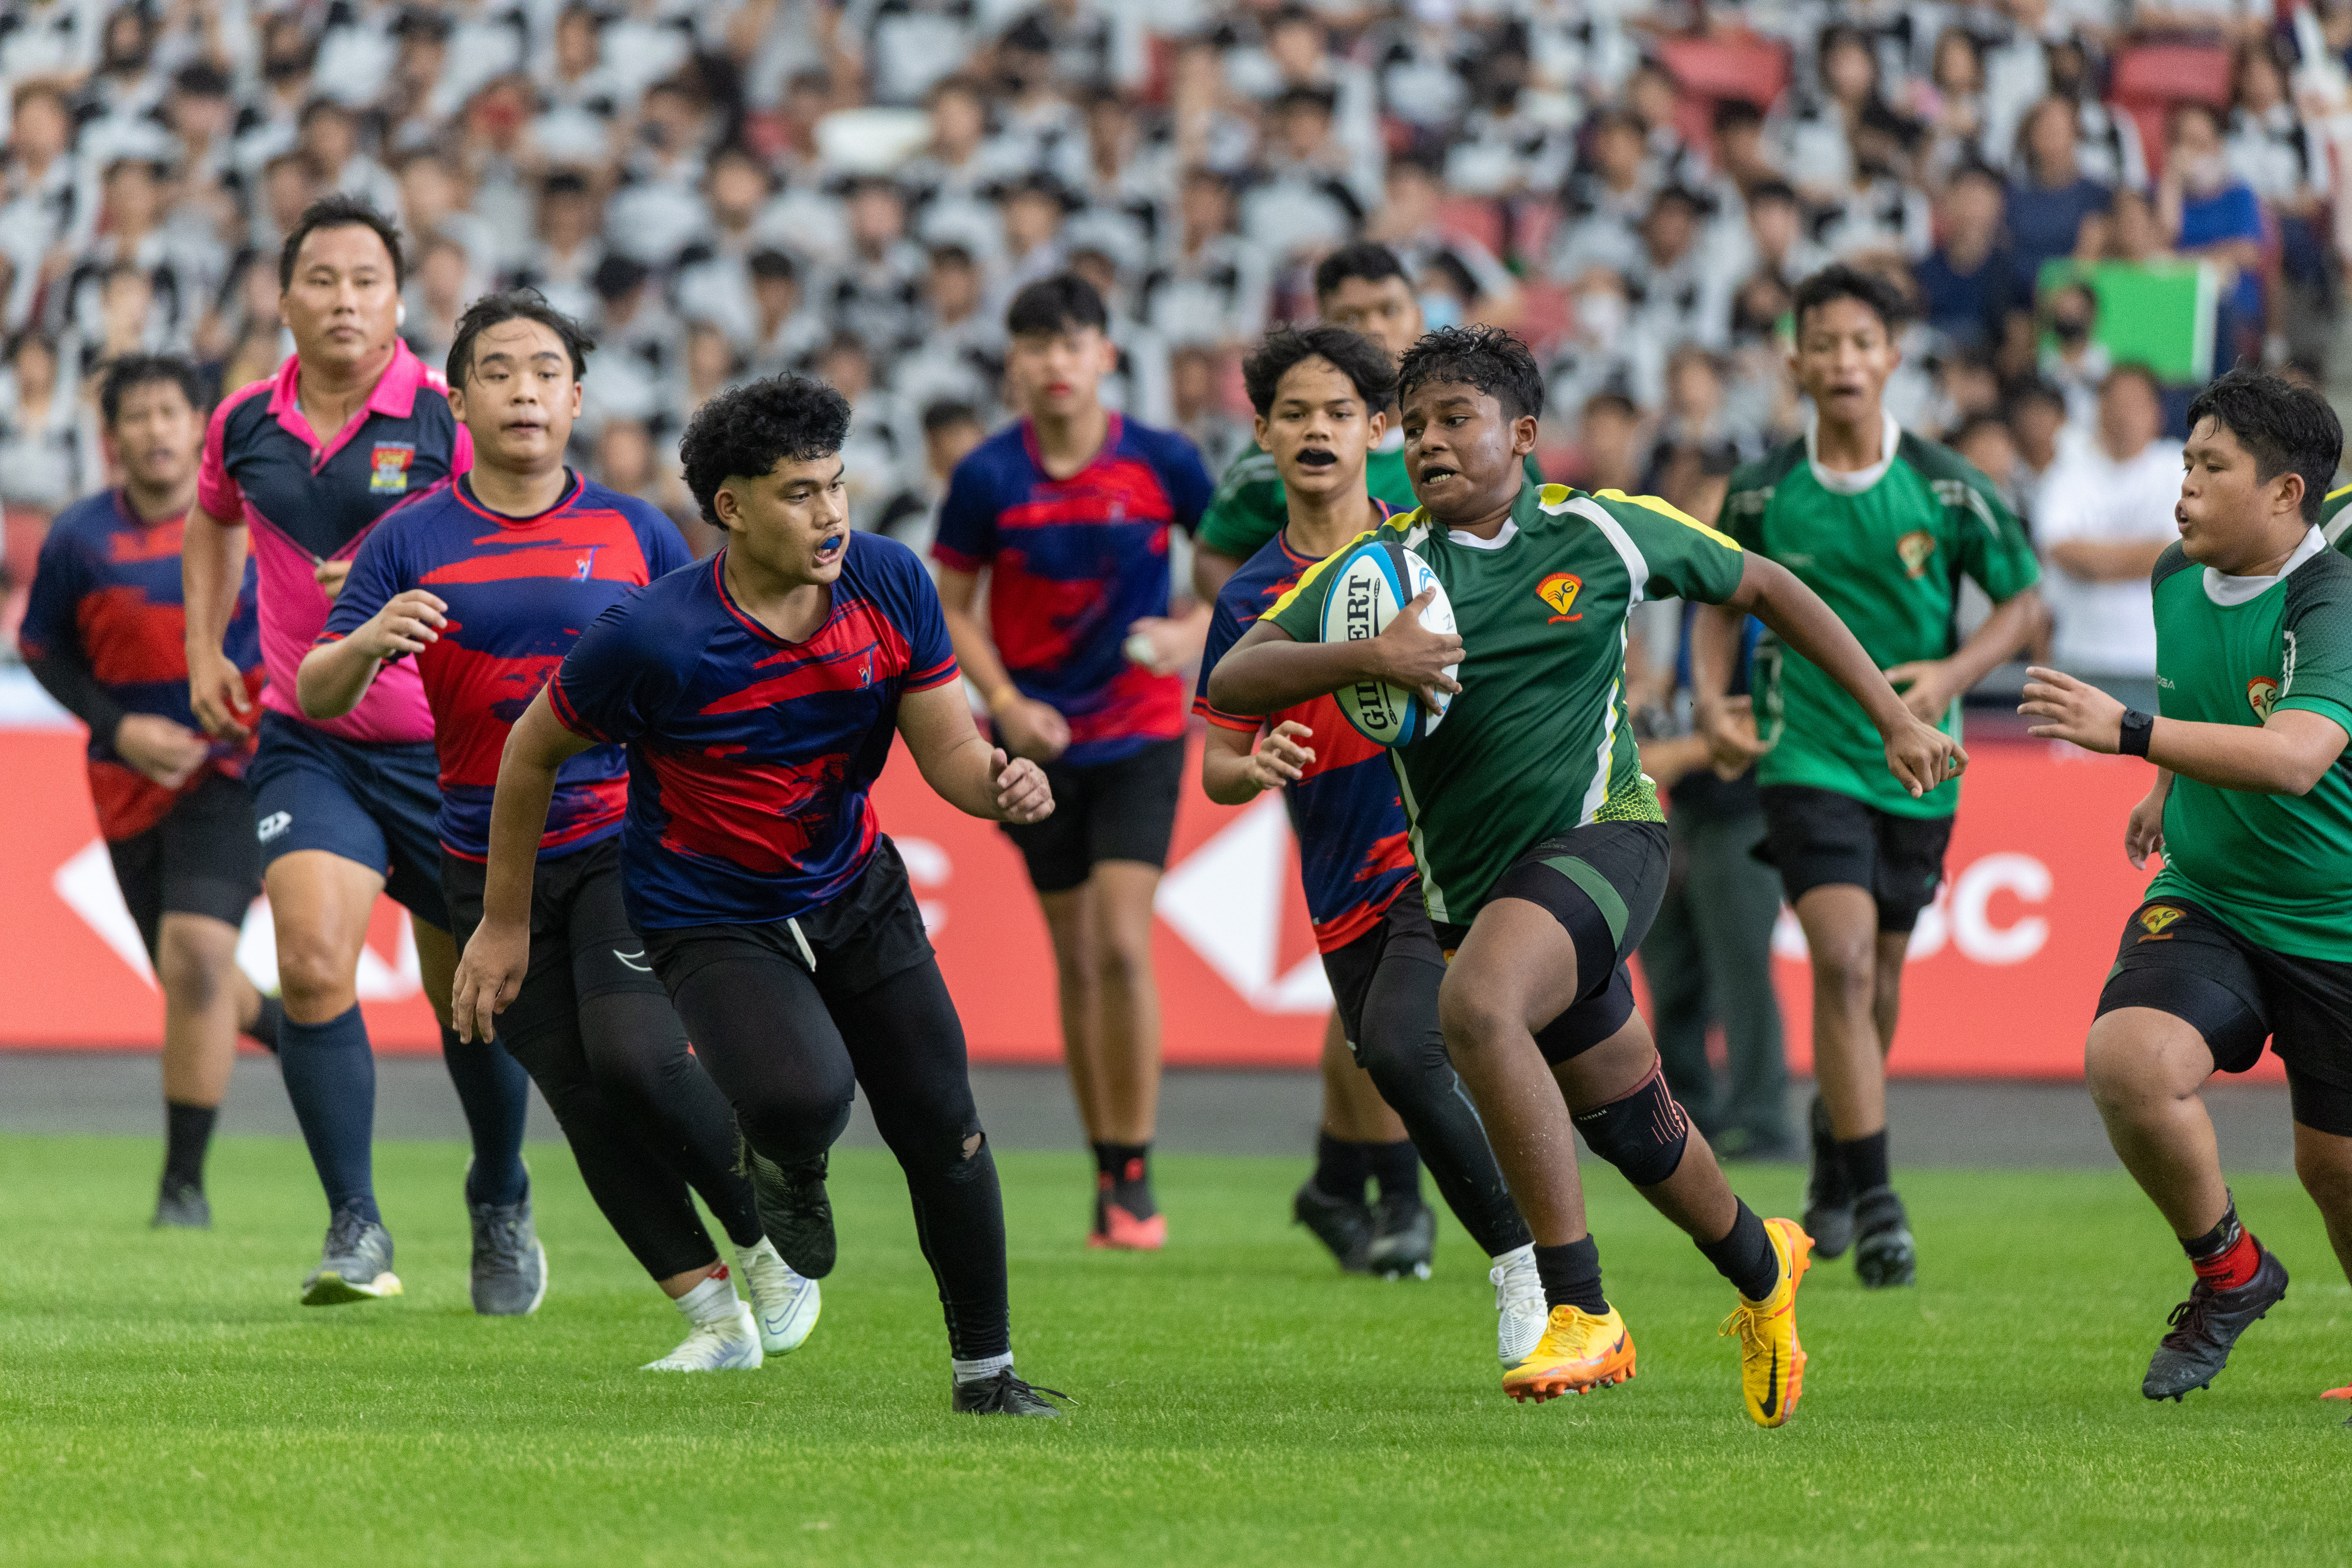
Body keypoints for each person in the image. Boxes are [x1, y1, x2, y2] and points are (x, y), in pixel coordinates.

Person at [1208, 324, 1967, 1425]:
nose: (1428, 443)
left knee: (1473, 1011)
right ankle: (1766, 1270)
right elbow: (1239, 674)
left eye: (1454, 420)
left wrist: (1893, 716)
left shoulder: (1601, 531)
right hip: (1480, 899)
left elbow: (1768, 589)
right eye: (1414, 426)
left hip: (1608, 842)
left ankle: (1582, 1308)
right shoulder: (1376, 576)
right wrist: (1369, 658)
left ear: (1522, 436)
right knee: (1637, 1129)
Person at [451, 373, 1071, 1416]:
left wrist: (1001, 785)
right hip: (706, 910)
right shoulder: (652, 636)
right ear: (730, 508)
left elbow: (952, 753)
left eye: (836, 486)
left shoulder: (892, 584)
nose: (829, 513)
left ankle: (987, 1378)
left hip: (854, 887)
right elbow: (529, 752)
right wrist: (503, 924)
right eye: (798, 492)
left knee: (945, 1127)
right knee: (800, 1098)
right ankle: (785, 1164)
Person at [297, 291, 821, 1370]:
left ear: (576, 398)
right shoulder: (408, 539)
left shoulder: (633, 530)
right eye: (498, 371)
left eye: (546, 371)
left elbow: (715, 675)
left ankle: (771, 1246)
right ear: (457, 401)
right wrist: (370, 642)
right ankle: (716, 1323)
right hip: (481, 858)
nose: (525, 389)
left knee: (634, 1055)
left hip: (628, 841)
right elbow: (314, 688)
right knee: (582, 1099)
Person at [179, 195, 542, 1312]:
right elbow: (211, 521)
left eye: (367, 281)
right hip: (309, 738)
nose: (345, 300)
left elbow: (511, 538)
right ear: (284, 299)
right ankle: (357, 1226)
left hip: (450, 753)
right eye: (323, 280)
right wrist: (203, 644)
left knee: (472, 1001)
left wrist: (405, 571)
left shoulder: (448, 415)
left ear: (399, 301)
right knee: (312, 966)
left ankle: (499, 1192)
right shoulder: (243, 421)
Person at [1194, 323, 1541, 1346]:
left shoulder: (1432, 550)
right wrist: (1247, 770)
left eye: (1340, 413)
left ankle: (1531, 1270)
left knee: (1406, 1044)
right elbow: (1217, 759)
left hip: (1439, 853)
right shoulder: (1252, 599)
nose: (1317, 431)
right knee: (1394, 1058)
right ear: (1261, 432)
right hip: (1338, 877)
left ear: (1377, 429)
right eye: (1294, 414)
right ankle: (1541, 1256)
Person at [1700, 265, 2042, 1289]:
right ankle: (1880, 1199)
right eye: (1826, 344)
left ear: (1892, 359)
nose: (1845, 360)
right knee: (1844, 962)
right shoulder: (1761, 490)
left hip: (1920, 759)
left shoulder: (1946, 485)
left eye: (1864, 343)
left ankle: (1837, 1137)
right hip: (1804, 749)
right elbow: (1720, 598)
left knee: (1881, 979)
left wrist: (1951, 673)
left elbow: (2023, 604)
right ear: (1795, 361)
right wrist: (1716, 698)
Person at [2018, 369, 2352, 1406]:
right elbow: (2203, 699)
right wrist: (2167, 781)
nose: (2186, 490)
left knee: (2333, 1169)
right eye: (2186, 464)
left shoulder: (2329, 599)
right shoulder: (2174, 574)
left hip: (2334, 922)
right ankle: (2231, 1271)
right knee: (2130, 1059)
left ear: (2287, 495)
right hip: (2209, 892)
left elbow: (2298, 755)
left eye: (2213, 469)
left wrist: (2130, 737)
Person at [931, 275, 1214, 1250]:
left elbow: (1247, 581)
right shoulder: (986, 477)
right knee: (1080, 956)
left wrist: (1192, 635)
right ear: (1013, 361)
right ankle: (1109, 1169)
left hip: (1140, 731)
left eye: (1073, 342)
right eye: (1036, 345)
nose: (1055, 362)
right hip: (1031, 747)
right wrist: (1007, 706)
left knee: (1123, 942)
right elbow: (951, 609)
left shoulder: (1167, 462)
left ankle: (1135, 1170)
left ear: (1107, 356)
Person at [19, 354, 284, 1229]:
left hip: (234, 770)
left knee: (200, 958)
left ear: (201, 427)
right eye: (139, 415)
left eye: (173, 412)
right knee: (191, 976)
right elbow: (43, 650)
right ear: (112, 437)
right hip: (126, 783)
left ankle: (182, 1187)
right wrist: (119, 726)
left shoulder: (253, 524)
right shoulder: (79, 537)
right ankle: (295, 1029)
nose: (157, 429)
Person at [2035, 365, 2183, 710]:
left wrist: (2094, 561)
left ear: (2156, 414)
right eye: (2114, 403)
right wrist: (2146, 557)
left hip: (2154, 661)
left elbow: (2178, 554)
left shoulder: (2176, 466)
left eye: (2135, 404)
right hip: (2078, 656)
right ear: (2099, 410)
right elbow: (2061, 550)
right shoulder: (2069, 470)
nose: (2124, 416)